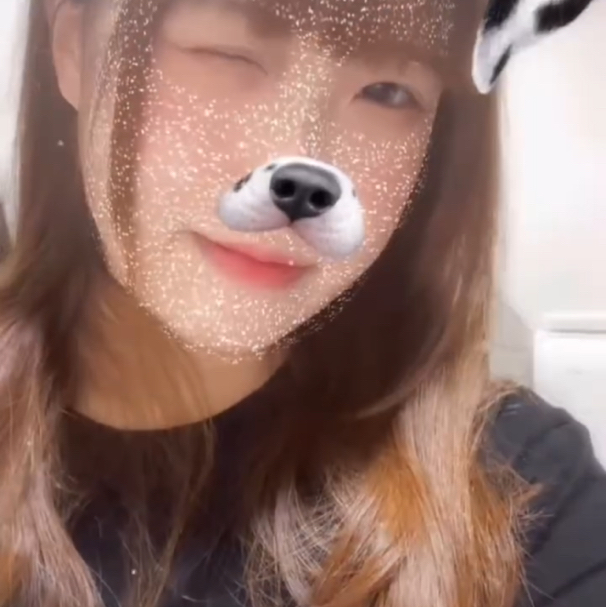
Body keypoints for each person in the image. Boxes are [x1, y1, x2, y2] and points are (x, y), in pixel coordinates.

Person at [0, 0, 604, 606]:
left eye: (388, 93)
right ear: (73, 42)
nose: (302, 164)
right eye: (226, 53)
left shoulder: (523, 493)